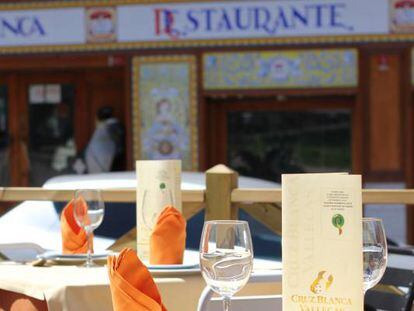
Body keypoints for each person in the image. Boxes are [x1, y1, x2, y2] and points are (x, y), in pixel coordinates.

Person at [81, 106, 124, 174]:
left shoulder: (109, 127)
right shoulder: (104, 127)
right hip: (103, 168)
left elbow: (118, 151)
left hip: (107, 169)